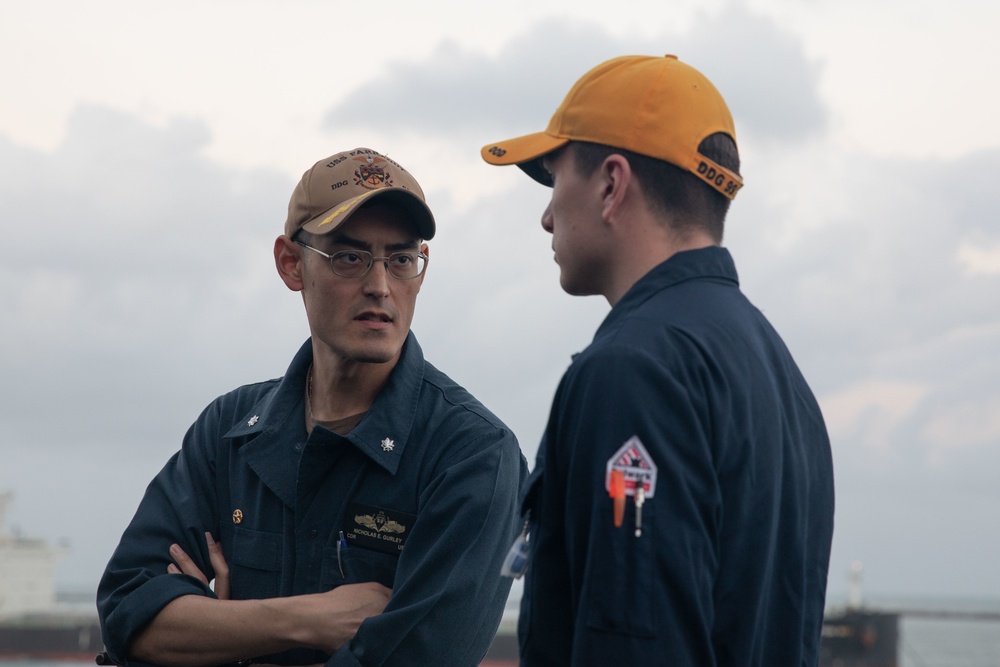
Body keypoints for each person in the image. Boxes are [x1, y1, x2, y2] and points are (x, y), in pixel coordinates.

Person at [97, 147, 527, 666]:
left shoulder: (472, 454)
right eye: (349, 257)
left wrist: (219, 631)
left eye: (402, 259)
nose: (380, 285)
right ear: (290, 263)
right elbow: (126, 612)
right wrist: (309, 619)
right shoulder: (229, 433)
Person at [481, 55, 835, 665]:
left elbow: (633, 644)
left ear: (612, 184)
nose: (545, 216)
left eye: (554, 175)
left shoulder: (633, 370)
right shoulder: (779, 373)